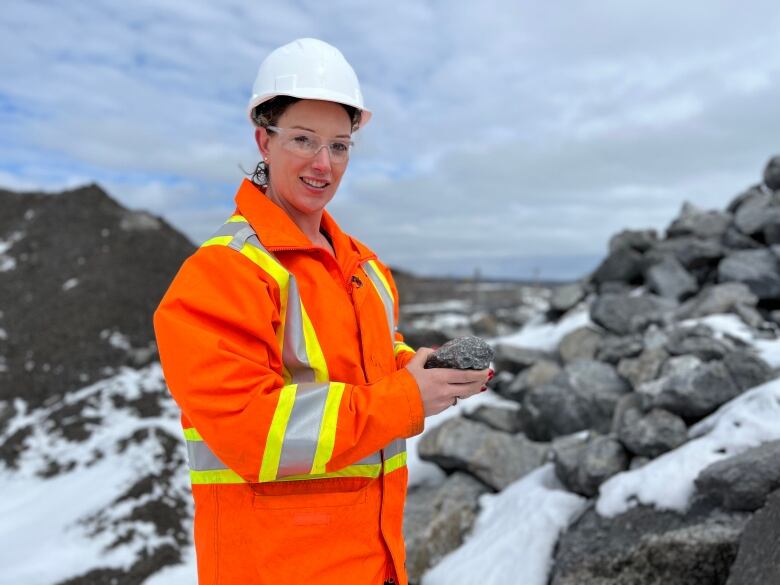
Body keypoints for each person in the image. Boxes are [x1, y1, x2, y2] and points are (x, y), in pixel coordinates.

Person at [154, 38, 490, 585]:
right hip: (278, 567)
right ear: (264, 140)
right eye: (303, 140)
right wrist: (406, 398)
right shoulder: (224, 273)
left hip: (374, 560)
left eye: (339, 145)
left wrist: (422, 370)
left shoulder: (364, 266)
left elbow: (360, 365)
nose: (323, 163)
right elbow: (252, 431)